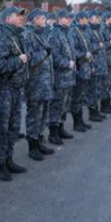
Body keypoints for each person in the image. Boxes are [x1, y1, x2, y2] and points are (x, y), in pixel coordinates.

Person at [0, 6, 29, 181]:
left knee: (13, 126)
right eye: (17, 16)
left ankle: (9, 158)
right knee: (2, 128)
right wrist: (18, 61)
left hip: (16, 87)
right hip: (4, 88)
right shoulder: (1, 36)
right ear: (7, 19)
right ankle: (0, 164)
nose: (21, 18)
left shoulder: (16, 35)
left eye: (21, 16)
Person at [23, 9, 56, 160]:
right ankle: (32, 147)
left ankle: (40, 141)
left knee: (43, 115)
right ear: (34, 20)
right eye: (41, 18)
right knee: (34, 116)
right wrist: (45, 53)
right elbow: (30, 60)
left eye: (44, 18)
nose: (45, 20)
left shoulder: (40, 35)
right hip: (35, 84)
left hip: (45, 84)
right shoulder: (28, 36)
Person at [48, 10, 77, 141]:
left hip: (69, 76)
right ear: (60, 19)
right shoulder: (55, 34)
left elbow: (71, 51)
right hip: (60, 77)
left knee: (65, 104)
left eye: (70, 18)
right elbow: (54, 57)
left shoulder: (67, 33)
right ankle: (53, 133)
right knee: (57, 104)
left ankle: (61, 128)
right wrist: (67, 64)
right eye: (66, 18)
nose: (69, 20)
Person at [69, 11, 94, 132]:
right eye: (85, 18)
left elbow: (89, 48)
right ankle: (76, 123)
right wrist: (84, 54)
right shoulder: (74, 32)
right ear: (79, 19)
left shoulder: (85, 31)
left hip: (86, 68)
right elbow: (74, 52)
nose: (87, 20)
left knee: (82, 95)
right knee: (77, 96)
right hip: (79, 69)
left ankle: (81, 121)